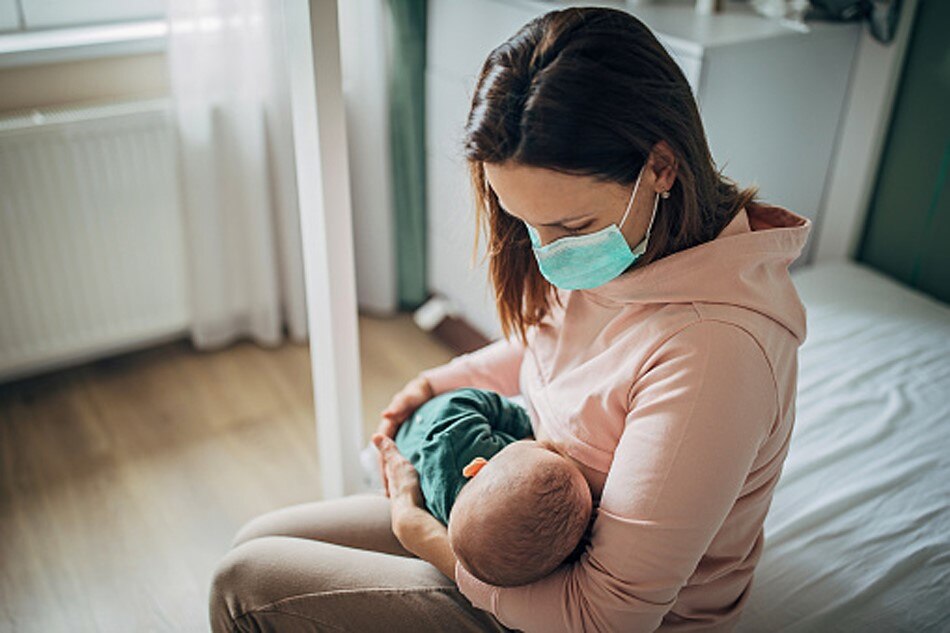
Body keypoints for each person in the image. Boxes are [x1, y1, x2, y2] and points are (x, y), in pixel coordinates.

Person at [209, 6, 810, 632]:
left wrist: (425, 539)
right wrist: (435, 384)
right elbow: (554, 354)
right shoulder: (632, 247)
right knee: (256, 537)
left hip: (579, 610)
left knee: (244, 587)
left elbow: (606, 616)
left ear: (660, 166)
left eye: (570, 227)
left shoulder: (715, 353)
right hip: (516, 532)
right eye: (525, 221)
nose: (547, 254)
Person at [390, 387, 593, 587]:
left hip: (413, 431)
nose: (548, 443)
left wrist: (522, 422)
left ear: (477, 467)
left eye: (544, 448)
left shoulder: (457, 446)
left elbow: (458, 403)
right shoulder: (502, 541)